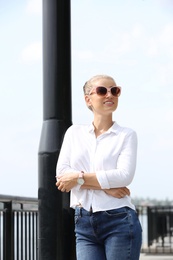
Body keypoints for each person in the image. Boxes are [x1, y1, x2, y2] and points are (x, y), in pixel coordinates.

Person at [56, 74, 142, 260]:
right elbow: (62, 176)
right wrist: (106, 185)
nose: (109, 95)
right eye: (102, 91)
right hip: (83, 222)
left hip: (120, 220)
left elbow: (124, 176)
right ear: (88, 99)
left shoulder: (126, 135)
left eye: (115, 90)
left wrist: (78, 179)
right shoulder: (74, 133)